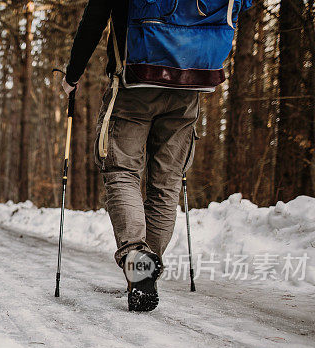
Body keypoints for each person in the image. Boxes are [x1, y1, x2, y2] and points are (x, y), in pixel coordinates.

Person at [62, 0, 250, 311]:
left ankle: (138, 258)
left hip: (135, 80)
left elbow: (96, 15)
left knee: (121, 169)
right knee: (167, 181)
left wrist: (73, 73)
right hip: (192, 81)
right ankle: (147, 270)